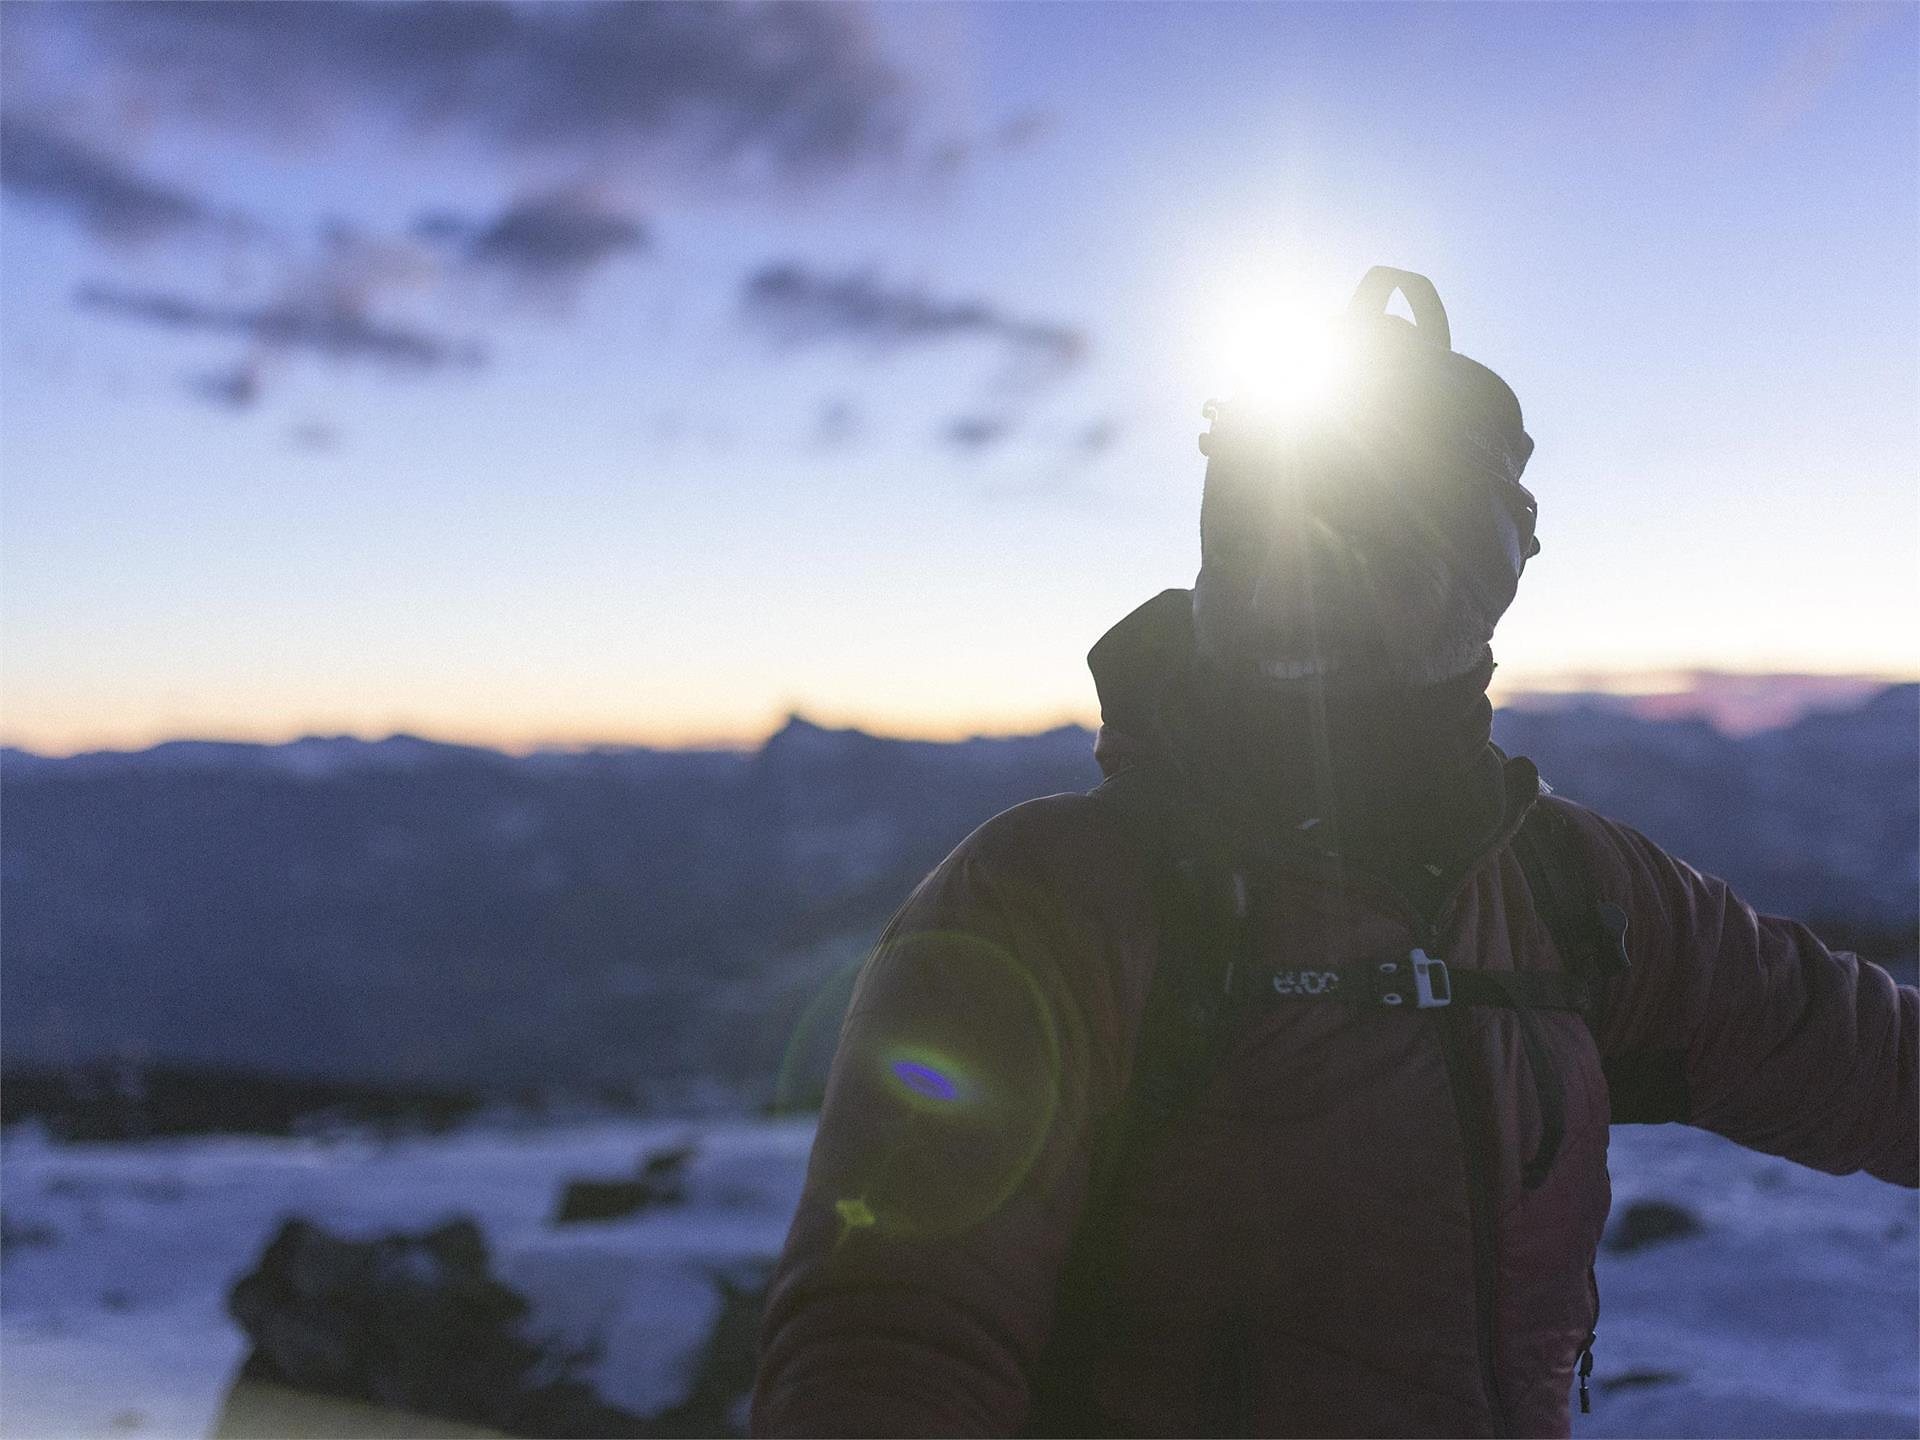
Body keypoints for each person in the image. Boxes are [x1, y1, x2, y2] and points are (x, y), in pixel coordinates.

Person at [750, 269, 1918, 1439]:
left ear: (1488, 568)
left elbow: (1857, 1056)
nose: (1303, 582)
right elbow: (895, 1335)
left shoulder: (1573, 889)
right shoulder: (1057, 892)